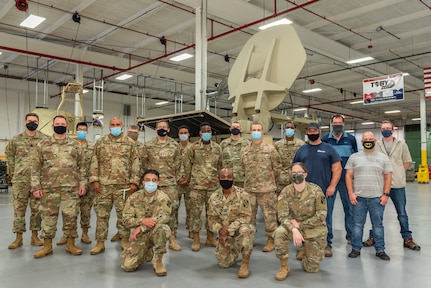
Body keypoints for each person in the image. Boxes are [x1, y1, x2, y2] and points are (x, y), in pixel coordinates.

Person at [31, 115, 87, 258]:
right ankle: (47, 246)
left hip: (71, 188)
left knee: (71, 217)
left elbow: (82, 167)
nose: (60, 125)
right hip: (49, 188)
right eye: (57, 123)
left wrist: (83, 184)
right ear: (52, 126)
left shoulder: (75, 145)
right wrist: (36, 186)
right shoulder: (43, 144)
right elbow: (35, 167)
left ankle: (70, 245)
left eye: (63, 124)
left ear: (67, 127)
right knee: (48, 217)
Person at [362, 120, 421, 251]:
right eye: (383, 128)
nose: (385, 130)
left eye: (388, 128)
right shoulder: (376, 145)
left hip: (398, 184)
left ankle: (407, 238)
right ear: (380, 130)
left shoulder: (402, 144)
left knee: (402, 213)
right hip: (380, 185)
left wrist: (397, 172)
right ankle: (374, 237)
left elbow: (406, 162)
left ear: (393, 130)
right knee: (376, 213)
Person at [89, 117, 141, 255]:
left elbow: (135, 163)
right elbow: (94, 162)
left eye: (118, 125)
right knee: (101, 215)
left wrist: (134, 182)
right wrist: (94, 180)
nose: (116, 127)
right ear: (109, 126)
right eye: (113, 125)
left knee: (123, 215)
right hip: (104, 186)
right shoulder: (101, 142)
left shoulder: (129, 143)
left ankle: (125, 239)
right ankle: (100, 242)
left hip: (123, 186)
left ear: (122, 127)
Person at [293, 122, 341, 257]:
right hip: (304, 193)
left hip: (324, 192)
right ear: (307, 132)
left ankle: (326, 244)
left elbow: (337, 169)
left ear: (319, 132)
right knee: (304, 218)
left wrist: (332, 186)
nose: (312, 133)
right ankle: (304, 246)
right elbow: (295, 170)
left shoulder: (329, 149)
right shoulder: (301, 150)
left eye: (315, 131)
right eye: (310, 131)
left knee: (325, 218)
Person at [274, 162, 327, 280]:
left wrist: (300, 225)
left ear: (305, 174)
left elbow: (321, 215)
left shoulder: (316, 190)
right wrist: (294, 229)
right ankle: (284, 267)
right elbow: (282, 215)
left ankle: (306, 252)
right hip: (293, 226)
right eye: (294, 173)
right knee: (279, 233)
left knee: (312, 269)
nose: (296, 175)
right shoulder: (285, 192)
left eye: (299, 172)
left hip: (313, 228)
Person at [345, 131, 393, 260]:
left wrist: (386, 195)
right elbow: (348, 176)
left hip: (377, 198)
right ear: (361, 142)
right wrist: (351, 193)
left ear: (375, 141)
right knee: (357, 225)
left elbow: (388, 176)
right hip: (358, 198)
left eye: (370, 139)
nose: (368, 141)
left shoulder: (383, 157)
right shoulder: (354, 157)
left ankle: (380, 250)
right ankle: (355, 248)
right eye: (365, 139)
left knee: (378, 225)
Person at [5, 113, 47, 249]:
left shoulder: (44, 139)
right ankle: (18, 238)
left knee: (37, 210)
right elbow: (9, 154)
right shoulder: (16, 139)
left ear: (38, 123)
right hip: (20, 180)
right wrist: (15, 168)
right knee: (19, 209)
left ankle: (35, 236)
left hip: (38, 182)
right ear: (25, 122)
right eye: (30, 121)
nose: (32, 123)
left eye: (35, 121)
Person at [141, 120, 182, 251]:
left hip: (170, 184)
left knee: (172, 211)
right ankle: (149, 238)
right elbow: (143, 164)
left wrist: (178, 179)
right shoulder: (148, 145)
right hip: (152, 184)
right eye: (159, 127)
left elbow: (180, 165)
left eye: (164, 127)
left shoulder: (175, 145)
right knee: (151, 210)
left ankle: (172, 239)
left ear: (169, 130)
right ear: (155, 129)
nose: (162, 129)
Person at [121, 169, 171, 276]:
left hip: (154, 232)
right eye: (148, 180)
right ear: (143, 182)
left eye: (154, 180)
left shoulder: (163, 198)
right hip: (140, 236)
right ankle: (146, 251)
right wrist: (142, 221)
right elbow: (126, 220)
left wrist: (140, 227)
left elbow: (164, 217)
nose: (151, 183)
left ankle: (158, 261)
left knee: (162, 228)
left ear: (158, 182)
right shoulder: (134, 198)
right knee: (127, 266)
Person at [241, 122, 282, 252]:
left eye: (259, 129)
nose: (256, 132)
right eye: (254, 130)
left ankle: (270, 240)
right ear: (250, 132)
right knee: (248, 217)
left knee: (269, 217)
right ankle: (249, 239)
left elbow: (277, 168)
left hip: (267, 190)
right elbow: (243, 168)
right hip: (249, 190)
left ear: (263, 132)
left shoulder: (270, 149)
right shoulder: (245, 150)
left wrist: (268, 181)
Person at [208, 168, 255, 278]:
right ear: (218, 179)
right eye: (223, 177)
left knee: (246, 231)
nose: (226, 179)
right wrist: (220, 229)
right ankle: (235, 249)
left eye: (229, 177)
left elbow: (246, 216)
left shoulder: (242, 194)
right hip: (224, 231)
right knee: (223, 263)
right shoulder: (214, 197)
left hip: (238, 228)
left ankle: (245, 263)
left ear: (233, 179)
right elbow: (211, 219)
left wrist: (229, 229)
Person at [183, 122, 222, 251]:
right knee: (195, 213)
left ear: (211, 133)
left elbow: (220, 166)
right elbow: (187, 165)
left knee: (212, 213)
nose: (206, 133)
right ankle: (196, 238)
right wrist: (189, 181)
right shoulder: (193, 148)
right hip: (196, 186)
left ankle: (210, 237)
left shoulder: (217, 148)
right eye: (204, 131)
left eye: (208, 131)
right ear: (200, 133)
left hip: (213, 186)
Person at [57, 122, 95, 246]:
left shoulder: (92, 146)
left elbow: (94, 165)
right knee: (68, 211)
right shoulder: (69, 144)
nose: (82, 132)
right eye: (80, 130)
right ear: (76, 131)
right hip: (70, 183)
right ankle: (66, 234)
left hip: (86, 183)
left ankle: (85, 233)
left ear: (87, 132)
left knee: (86, 210)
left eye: (84, 130)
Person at [321, 114, 358, 244]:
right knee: (327, 211)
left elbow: (355, 159)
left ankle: (351, 236)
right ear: (331, 124)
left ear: (343, 124)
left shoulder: (351, 139)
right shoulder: (325, 140)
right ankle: (327, 238)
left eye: (339, 123)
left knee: (350, 209)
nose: (337, 125)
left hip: (346, 181)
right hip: (330, 182)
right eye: (335, 123)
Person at [108, 124, 143, 243]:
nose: (133, 134)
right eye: (131, 132)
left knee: (137, 211)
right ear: (127, 133)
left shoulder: (143, 147)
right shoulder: (124, 144)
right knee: (123, 209)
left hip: (139, 182)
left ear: (138, 134)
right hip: (125, 183)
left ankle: (138, 233)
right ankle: (121, 232)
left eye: (135, 132)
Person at [274, 121, 305, 192]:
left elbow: (304, 162)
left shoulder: (301, 144)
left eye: (291, 128)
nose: (289, 129)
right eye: (287, 127)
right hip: (282, 179)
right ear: (284, 129)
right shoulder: (278, 144)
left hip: (297, 177)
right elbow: (275, 162)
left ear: (295, 130)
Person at [220, 121, 250, 187]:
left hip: (242, 179)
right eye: (233, 127)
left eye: (237, 127)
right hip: (227, 178)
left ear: (241, 129)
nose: (235, 128)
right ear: (230, 129)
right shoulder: (223, 144)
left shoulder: (247, 143)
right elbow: (219, 161)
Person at [177, 125, 192, 235]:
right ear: (178, 135)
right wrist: (178, 178)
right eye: (181, 133)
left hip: (189, 182)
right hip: (176, 183)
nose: (183, 134)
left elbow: (196, 165)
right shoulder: (174, 148)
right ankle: (172, 230)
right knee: (173, 207)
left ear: (189, 134)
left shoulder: (193, 148)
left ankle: (191, 229)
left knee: (191, 208)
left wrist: (188, 179)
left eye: (185, 132)